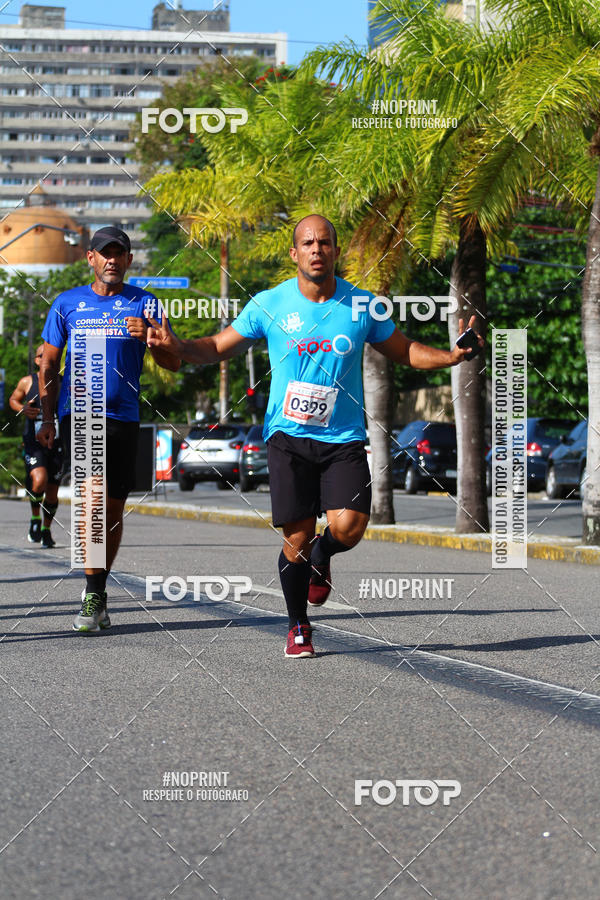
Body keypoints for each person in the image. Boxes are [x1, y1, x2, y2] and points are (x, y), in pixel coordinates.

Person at [144, 214, 483, 658]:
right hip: (287, 436)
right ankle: (298, 624)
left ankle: (323, 557)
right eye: (308, 243)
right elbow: (216, 347)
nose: (317, 250)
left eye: (324, 242)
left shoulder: (364, 305)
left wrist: (452, 356)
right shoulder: (269, 303)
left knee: (351, 526)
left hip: (342, 436)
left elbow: (405, 351)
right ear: (294, 253)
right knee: (296, 537)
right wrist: (177, 346)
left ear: (336, 251)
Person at [37, 226, 180, 633]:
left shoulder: (146, 302)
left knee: (113, 509)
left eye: (120, 254)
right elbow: (48, 365)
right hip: (79, 412)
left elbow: (174, 362)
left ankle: (96, 590)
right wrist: (47, 419)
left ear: (129, 261)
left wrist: (154, 341)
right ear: (91, 258)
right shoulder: (67, 304)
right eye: (105, 253)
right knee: (93, 500)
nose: (112, 260)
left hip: (123, 414)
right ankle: (93, 591)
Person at [9, 344, 62, 548]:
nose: (47, 359)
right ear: (37, 360)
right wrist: (22, 409)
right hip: (34, 442)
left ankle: (46, 529)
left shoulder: (63, 382)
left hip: (57, 443)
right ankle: (34, 519)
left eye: (52, 356)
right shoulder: (27, 381)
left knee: (52, 491)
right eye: (42, 356)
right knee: (39, 480)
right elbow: (13, 399)